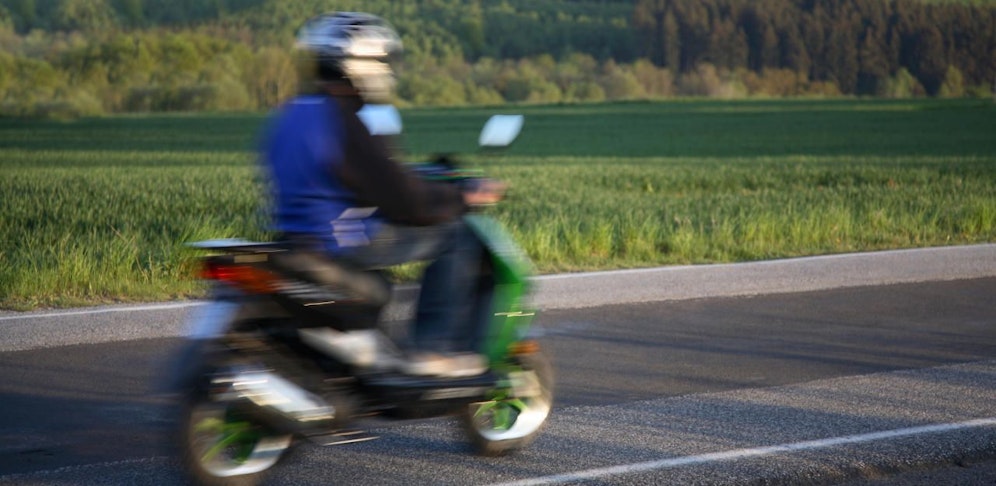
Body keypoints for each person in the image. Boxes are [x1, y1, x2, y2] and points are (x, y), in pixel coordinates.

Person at [259, 12, 504, 377]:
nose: (386, 70)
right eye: (383, 61)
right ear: (361, 63)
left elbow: (351, 178)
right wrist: (461, 200)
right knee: (457, 235)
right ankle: (432, 348)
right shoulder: (346, 119)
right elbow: (408, 205)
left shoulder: (292, 112)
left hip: (296, 235)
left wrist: (403, 183)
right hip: (339, 237)